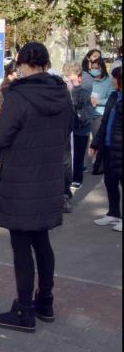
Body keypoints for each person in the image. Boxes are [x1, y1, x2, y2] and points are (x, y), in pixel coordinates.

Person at [0, 42, 74, 333]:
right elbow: (67, 130)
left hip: (21, 182)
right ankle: (45, 302)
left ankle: (24, 311)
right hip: (49, 179)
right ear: (46, 64)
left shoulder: (17, 95)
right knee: (42, 241)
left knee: (22, 245)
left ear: (22, 63)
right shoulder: (62, 92)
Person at [89, 66, 122, 232]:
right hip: (108, 146)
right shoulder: (114, 96)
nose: (113, 80)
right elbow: (104, 122)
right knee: (110, 181)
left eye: (115, 78)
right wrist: (95, 144)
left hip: (120, 147)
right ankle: (113, 213)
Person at [81, 49, 113, 175]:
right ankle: (91, 163)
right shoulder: (89, 79)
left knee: (98, 139)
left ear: (102, 68)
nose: (94, 71)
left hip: (100, 113)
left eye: (97, 68)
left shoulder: (108, 81)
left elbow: (111, 98)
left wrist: (98, 101)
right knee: (86, 141)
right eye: (92, 68)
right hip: (87, 113)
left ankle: (99, 165)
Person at [63, 62, 94, 190]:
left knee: (79, 152)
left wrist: (75, 86)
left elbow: (80, 101)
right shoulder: (67, 81)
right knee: (69, 153)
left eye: (69, 75)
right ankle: (68, 177)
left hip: (82, 123)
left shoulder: (86, 81)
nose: (68, 78)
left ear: (76, 74)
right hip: (70, 123)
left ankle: (77, 178)